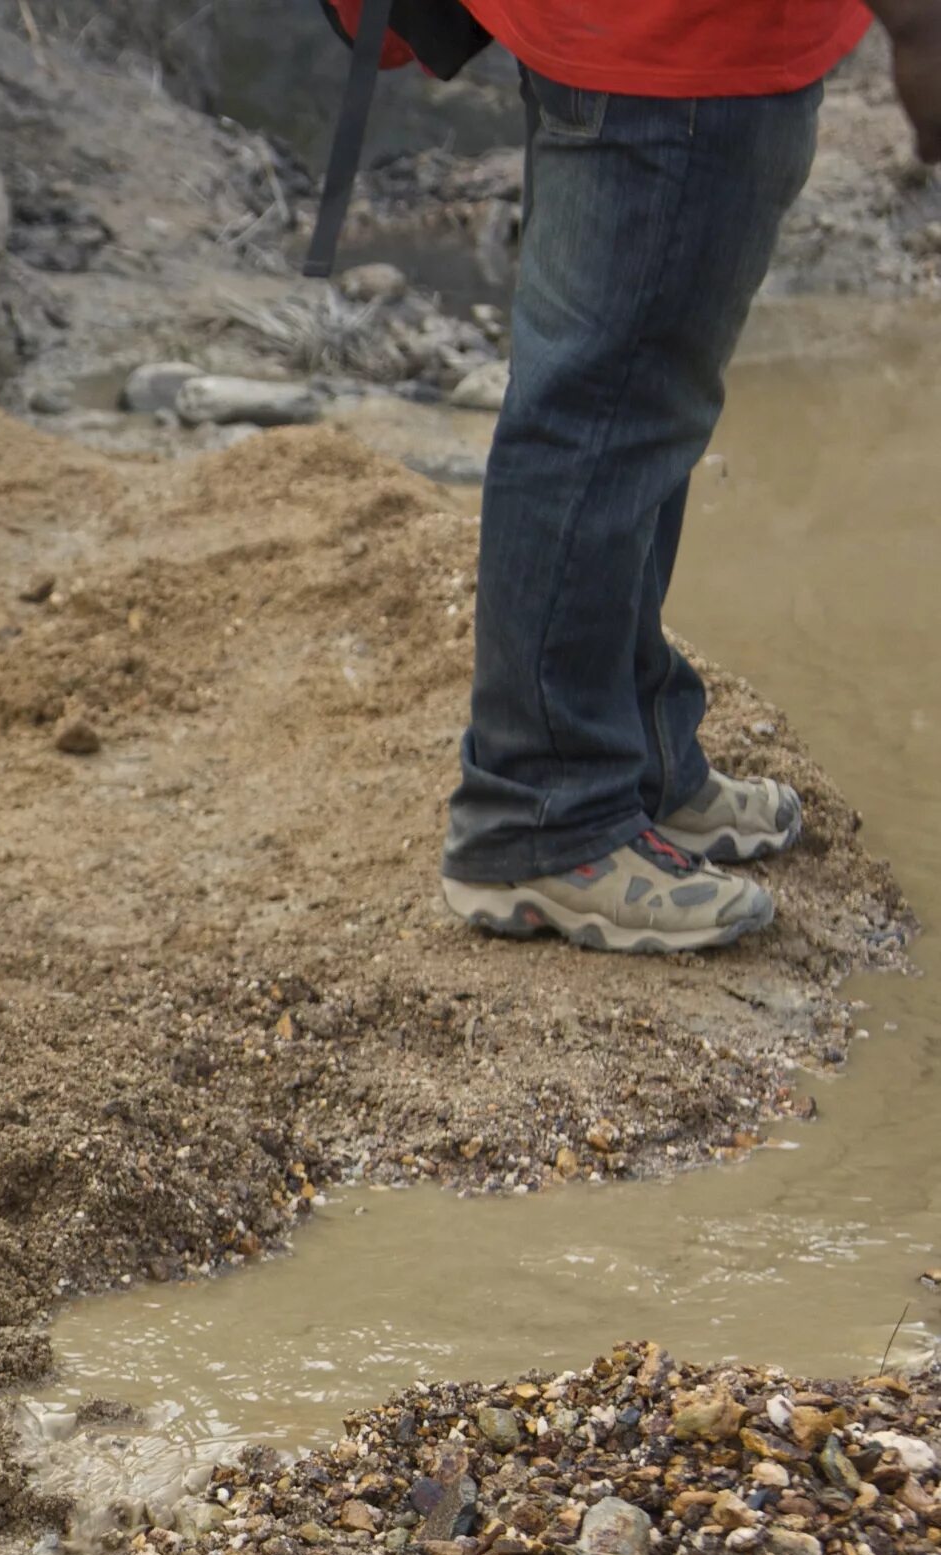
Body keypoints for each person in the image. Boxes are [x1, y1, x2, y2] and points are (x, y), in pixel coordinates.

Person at [438, 0, 941, 951]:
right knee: (598, 415)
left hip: (655, 40)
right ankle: (543, 811)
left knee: (639, 406)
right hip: (670, 46)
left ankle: (629, 758)